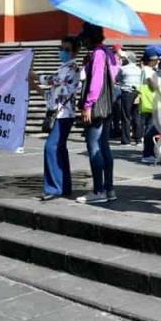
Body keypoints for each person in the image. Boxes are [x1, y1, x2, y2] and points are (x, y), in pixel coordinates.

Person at [31, 37, 81, 200]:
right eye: (62, 48)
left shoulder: (72, 68)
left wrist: (35, 76)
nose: (63, 52)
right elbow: (51, 94)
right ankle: (63, 186)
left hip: (64, 114)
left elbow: (56, 82)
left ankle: (54, 188)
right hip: (59, 113)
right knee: (58, 149)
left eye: (66, 49)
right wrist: (36, 87)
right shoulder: (64, 67)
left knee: (51, 148)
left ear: (75, 51)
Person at [77, 23, 119, 204]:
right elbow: (115, 73)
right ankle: (109, 189)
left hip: (96, 106)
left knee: (93, 147)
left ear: (90, 38)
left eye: (84, 38)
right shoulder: (108, 53)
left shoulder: (98, 54)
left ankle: (99, 190)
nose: (83, 41)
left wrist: (88, 105)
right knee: (104, 147)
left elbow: (96, 83)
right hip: (107, 105)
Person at [117, 51, 142, 145]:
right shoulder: (139, 69)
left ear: (127, 59)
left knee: (126, 117)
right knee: (137, 116)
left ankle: (126, 140)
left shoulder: (123, 69)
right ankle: (138, 139)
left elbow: (118, 79)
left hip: (127, 93)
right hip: (138, 93)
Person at [139, 51, 160, 164]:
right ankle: (148, 153)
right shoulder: (148, 70)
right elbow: (152, 84)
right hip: (151, 102)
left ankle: (148, 152)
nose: (157, 61)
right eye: (156, 59)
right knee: (150, 129)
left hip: (149, 102)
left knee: (149, 127)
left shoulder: (147, 70)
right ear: (151, 60)